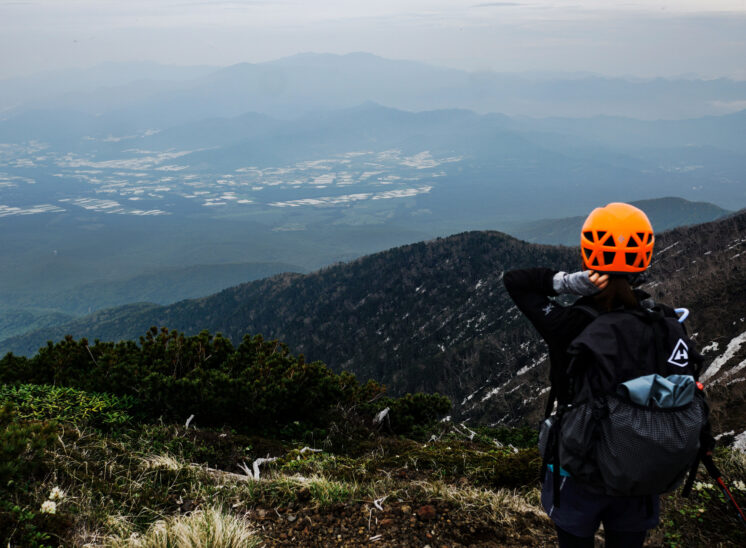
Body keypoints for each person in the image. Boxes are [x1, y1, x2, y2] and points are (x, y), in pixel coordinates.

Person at [503, 202, 662, 548]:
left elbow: (515, 281)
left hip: (577, 465)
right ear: (643, 257)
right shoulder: (658, 321)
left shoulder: (568, 325)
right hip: (637, 462)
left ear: (588, 253)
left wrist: (570, 283)